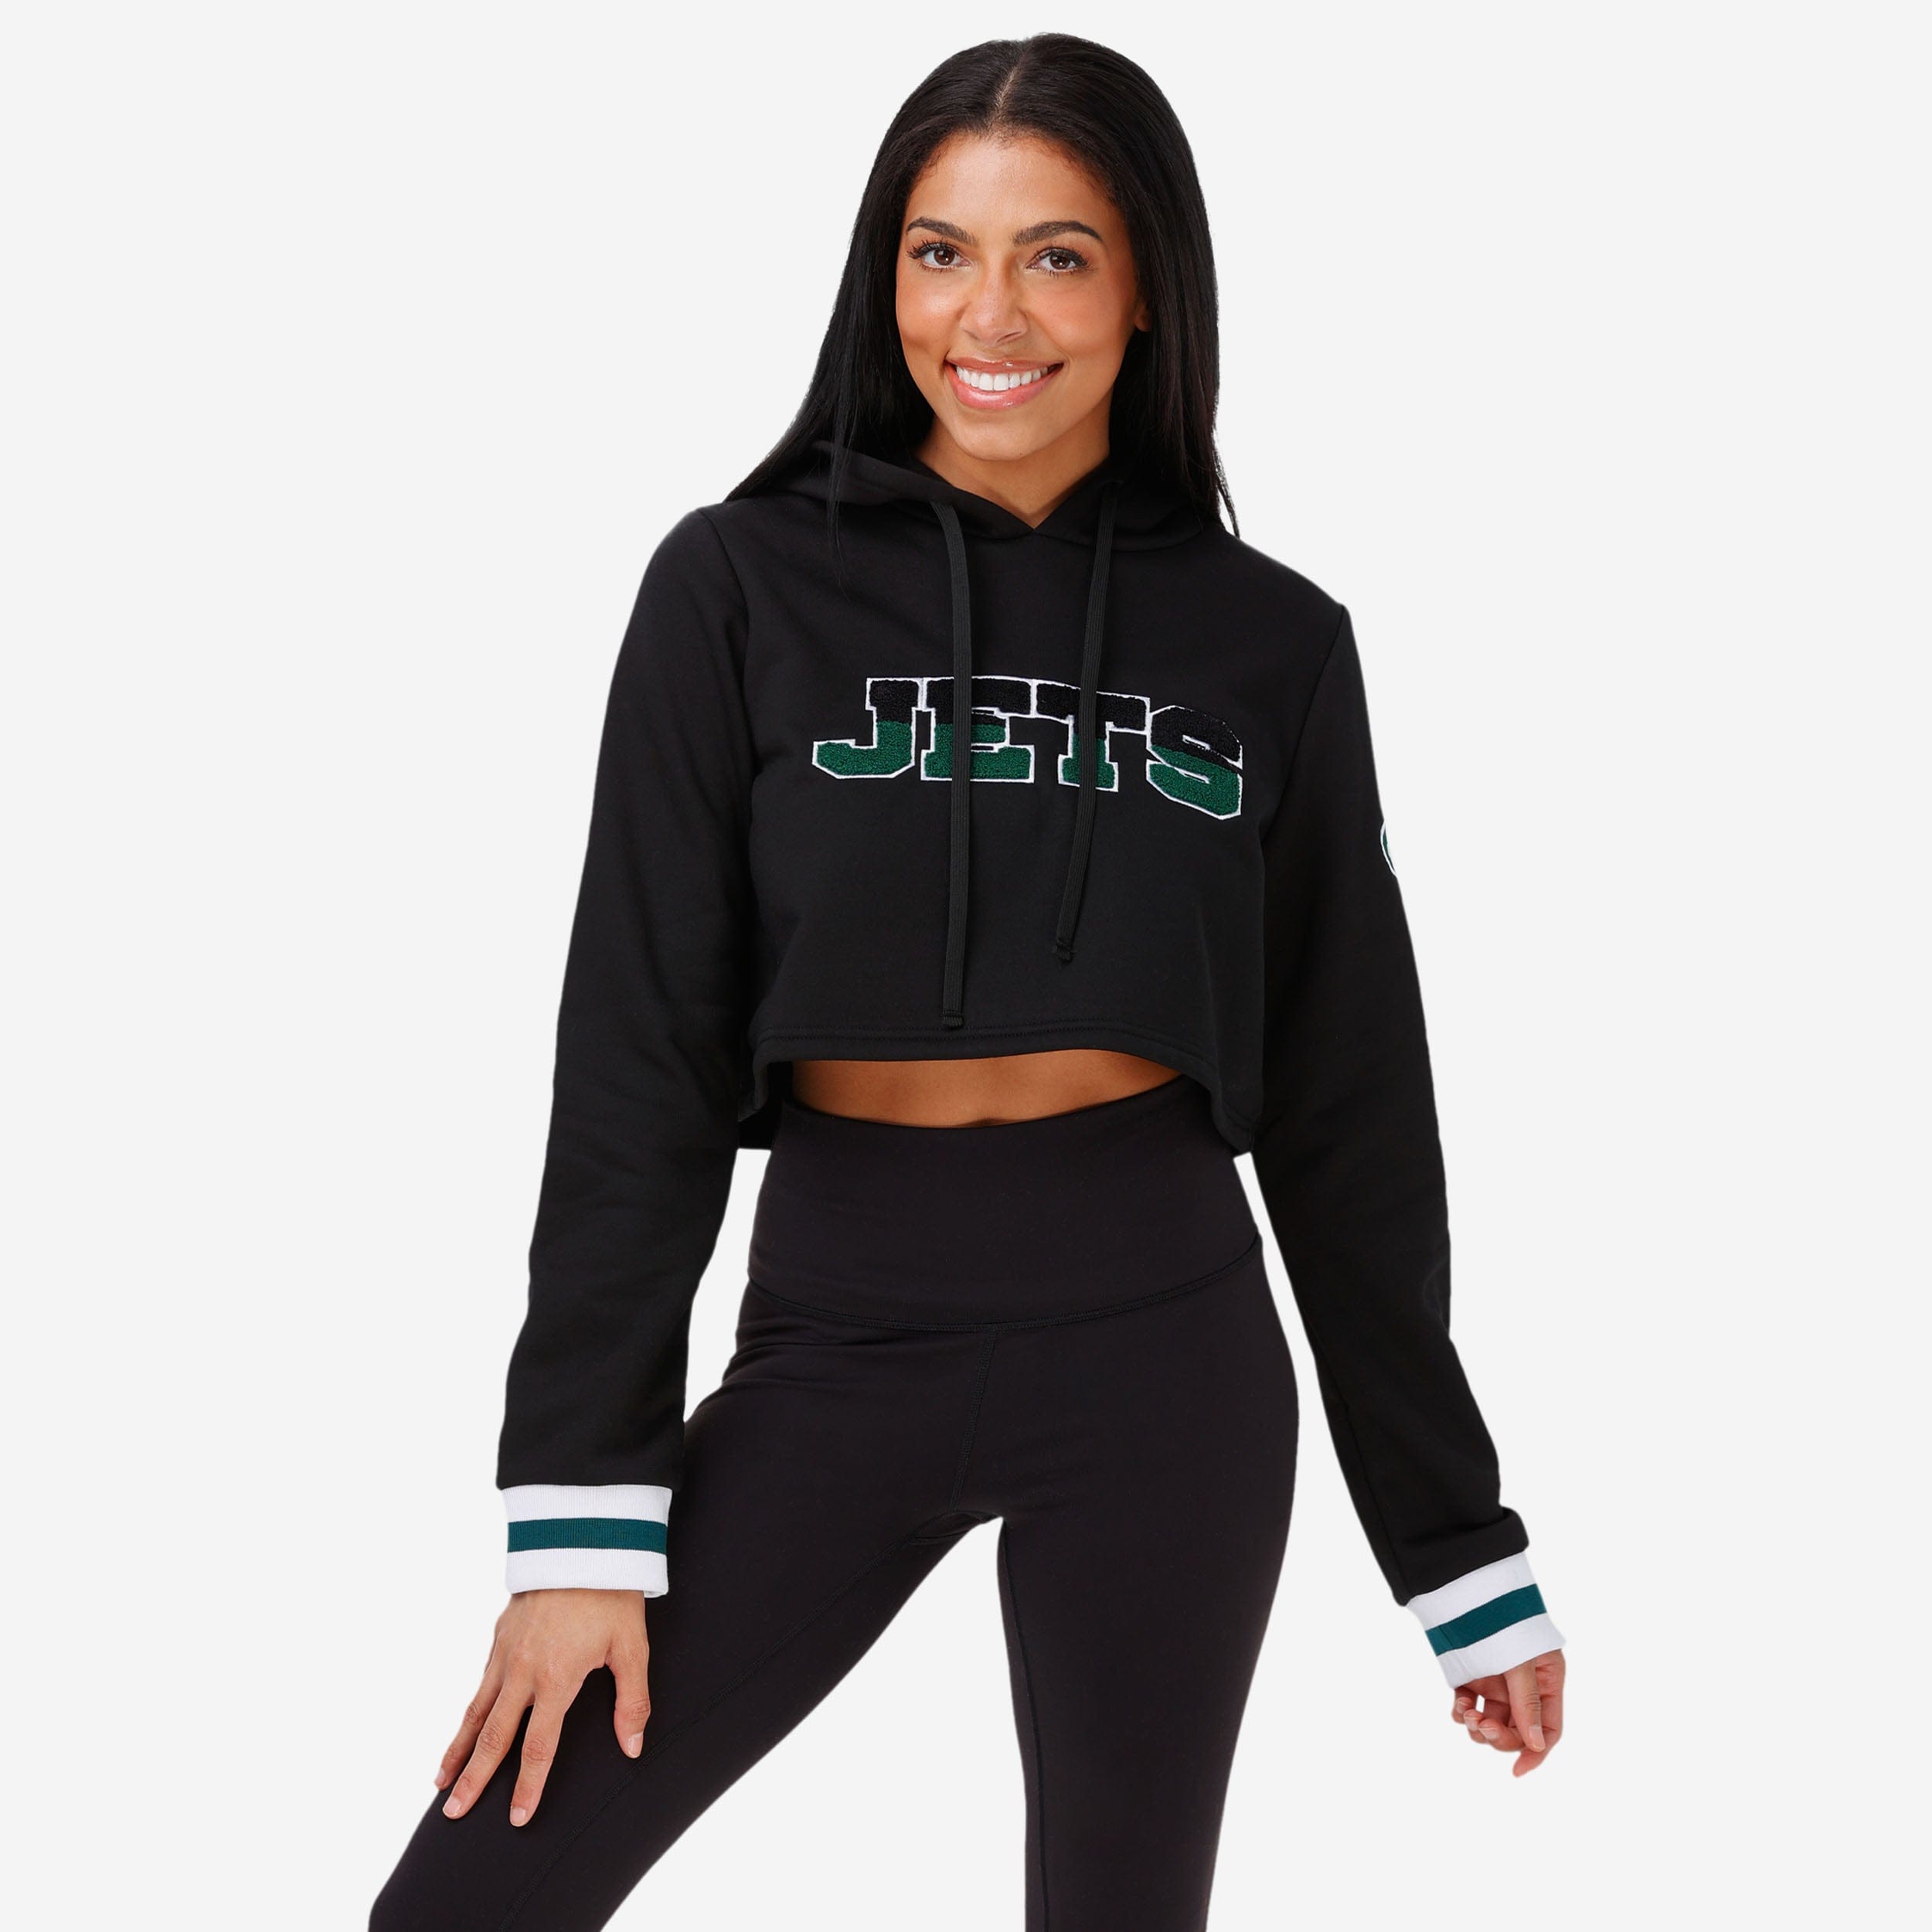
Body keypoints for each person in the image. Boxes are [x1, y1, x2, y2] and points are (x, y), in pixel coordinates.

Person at [369, 31, 1567, 1932]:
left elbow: (1354, 1114)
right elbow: (635, 1055)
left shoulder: (1268, 642)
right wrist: (579, 1513)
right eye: (939, 253)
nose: (985, 315)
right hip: (842, 1326)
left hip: (1163, 1340)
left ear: (1146, 289)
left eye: (1054, 255)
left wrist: (1456, 1553)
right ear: (886, 279)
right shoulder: (737, 586)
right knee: (472, 1898)